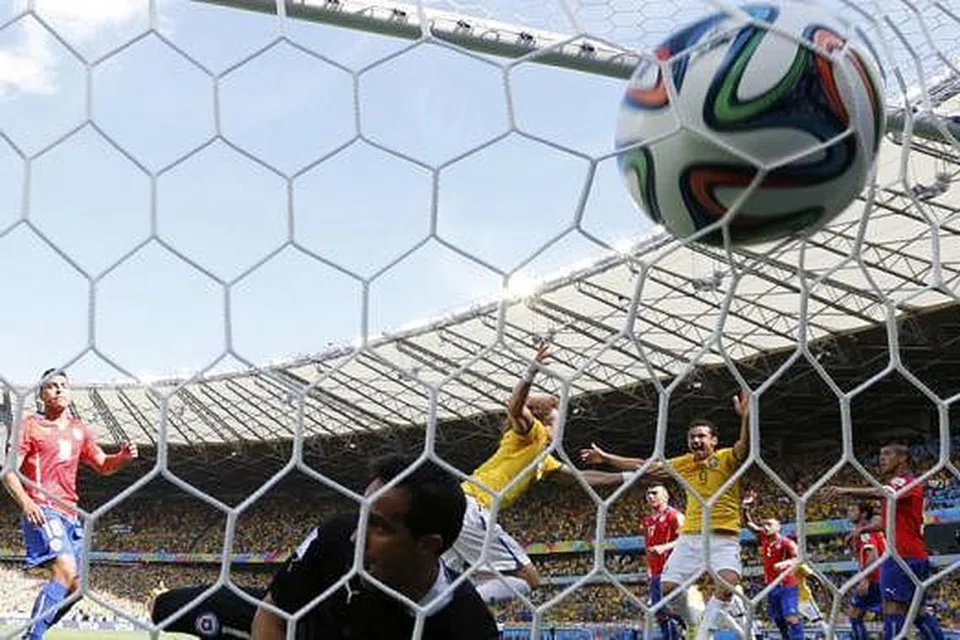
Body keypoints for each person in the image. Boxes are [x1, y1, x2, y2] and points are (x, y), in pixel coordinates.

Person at [447, 343, 632, 604]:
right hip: (472, 507)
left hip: (456, 507)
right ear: (546, 423)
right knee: (527, 578)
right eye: (556, 420)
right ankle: (459, 612)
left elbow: (582, 479)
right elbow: (514, 407)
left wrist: (628, 477)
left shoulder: (542, 460)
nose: (559, 427)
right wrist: (532, 371)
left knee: (455, 580)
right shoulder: (531, 435)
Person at [250, 454, 499, 639]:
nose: (356, 537)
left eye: (378, 525)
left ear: (427, 545)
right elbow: (271, 614)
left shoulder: (469, 625)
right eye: (361, 515)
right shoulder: (334, 540)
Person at [580, 391, 749, 640]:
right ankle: (693, 623)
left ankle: (703, 633)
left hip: (724, 538)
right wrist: (606, 458)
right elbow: (643, 465)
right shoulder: (684, 463)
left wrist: (746, 419)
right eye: (692, 437)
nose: (696, 440)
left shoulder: (725, 458)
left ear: (714, 440)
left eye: (702, 436)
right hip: (691, 537)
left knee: (727, 585)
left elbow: (744, 448)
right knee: (667, 590)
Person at [2, 368, 138, 639]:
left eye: (63, 385)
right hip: (42, 508)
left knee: (77, 589)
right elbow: (8, 473)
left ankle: (36, 630)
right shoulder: (29, 426)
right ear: (41, 394)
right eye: (51, 386)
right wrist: (27, 503)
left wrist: (121, 458)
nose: (59, 389)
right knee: (65, 570)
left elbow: (102, 465)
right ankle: (33, 637)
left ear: (71, 391)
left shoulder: (79, 430)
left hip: (71, 515)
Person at [824, 443, 944, 640]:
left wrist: (843, 490)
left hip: (901, 555)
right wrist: (863, 529)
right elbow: (886, 521)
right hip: (912, 554)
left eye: (887, 454)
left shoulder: (904, 481)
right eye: (880, 454)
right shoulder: (896, 487)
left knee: (893, 608)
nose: (882, 458)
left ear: (902, 458)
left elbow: (884, 493)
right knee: (916, 612)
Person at [742, 495, 803, 640]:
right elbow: (748, 524)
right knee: (778, 619)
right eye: (764, 524)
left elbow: (799, 557)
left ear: (778, 527)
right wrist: (745, 507)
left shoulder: (786, 542)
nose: (765, 527)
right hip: (771, 586)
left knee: (791, 617)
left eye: (769, 524)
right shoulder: (763, 538)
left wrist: (785, 563)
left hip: (786, 584)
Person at [641, 484, 684, 639]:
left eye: (654, 493)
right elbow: (648, 548)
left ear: (665, 496)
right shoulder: (647, 521)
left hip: (672, 571)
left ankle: (686, 629)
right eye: (648, 494)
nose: (650, 496)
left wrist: (665, 547)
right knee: (658, 612)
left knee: (670, 608)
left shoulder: (674, 515)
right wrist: (649, 569)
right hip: (656, 573)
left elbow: (686, 540)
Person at [846, 502, 886, 640]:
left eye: (853, 509)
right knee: (891, 614)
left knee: (854, 615)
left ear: (863, 514)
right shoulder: (872, 529)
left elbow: (873, 555)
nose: (849, 511)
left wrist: (865, 578)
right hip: (885, 577)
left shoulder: (864, 531)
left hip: (874, 578)